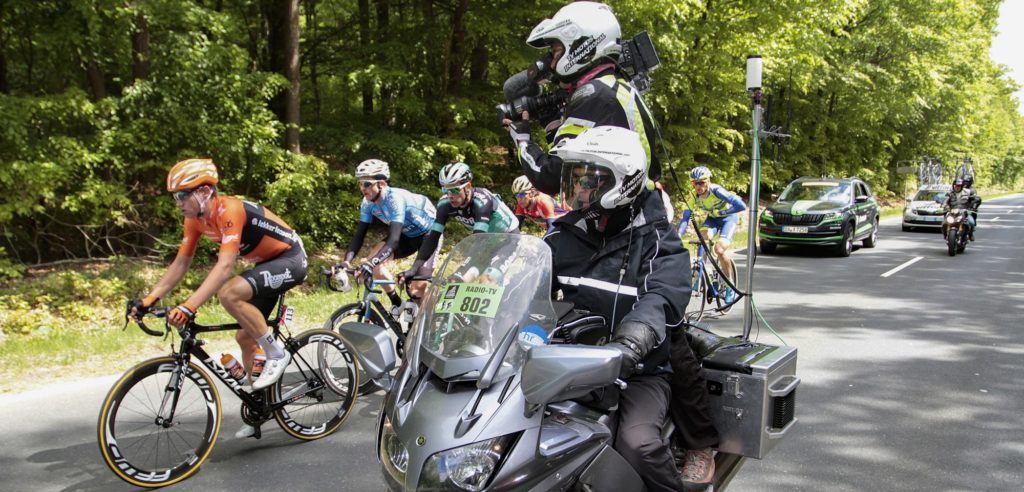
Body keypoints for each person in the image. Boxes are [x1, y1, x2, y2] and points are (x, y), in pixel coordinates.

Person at [545, 126, 718, 491]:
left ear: (622, 182)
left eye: (590, 180)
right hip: (564, 365)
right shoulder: (562, 236)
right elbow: (527, 277)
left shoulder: (658, 242)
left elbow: (663, 296)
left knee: (637, 445)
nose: (579, 189)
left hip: (638, 369)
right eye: (576, 179)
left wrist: (631, 342)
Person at [128, 158, 307, 439]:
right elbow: (180, 265)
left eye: (182, 195)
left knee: (229, 293)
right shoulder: (194, 221)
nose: (178, 202)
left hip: (290, 258)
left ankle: (276, 352)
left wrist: (189, 306)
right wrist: (149, 299)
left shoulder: (230, 209)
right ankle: (261, 406)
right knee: (245, 339)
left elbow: (225, 267)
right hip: (266, 265)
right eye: (175, 196)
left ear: (204, 192)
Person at [505, 1, 663, 199]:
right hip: (635, 209)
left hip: (627, 220)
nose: (552, 64)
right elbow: (578, 156)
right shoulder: (614, 86)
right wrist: (551, 122)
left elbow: (551, 176)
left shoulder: (593, 94)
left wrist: (522, 140)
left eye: (555, 53)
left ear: (581, 45)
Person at [344, 159, 440, 315]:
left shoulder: (394, 199)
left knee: (417, 289)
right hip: (407, 235)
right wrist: (346, 261)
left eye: (367, 184)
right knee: (373, 262)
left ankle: (428, 326)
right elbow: (359, 235)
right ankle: (398, 303)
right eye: (360, 184)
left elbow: (393, 240)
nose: (362, 188)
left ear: (381, 183)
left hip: (428, 235)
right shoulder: (368, 203)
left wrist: (371, 263)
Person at [402, 162, 519, 280]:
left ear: (468, 187)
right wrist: (414, 268)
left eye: (454, 190)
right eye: (445, 190)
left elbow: (479, 239)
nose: (450, 196)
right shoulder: (444, 204)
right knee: (456, 283)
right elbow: (433, 238)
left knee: (489, 279)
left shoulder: (482, 201)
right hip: (488, 242)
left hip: (508, 240)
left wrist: (461, 269)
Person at [685, 166, 746, 304]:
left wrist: (722, 213)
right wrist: (678, 234)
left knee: (719, 249)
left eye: (702, 182)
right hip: (712, 219)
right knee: (702, 237)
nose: (698, 186)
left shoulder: (717, 191)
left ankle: (729, 284)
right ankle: (703, 271)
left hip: (728, 219)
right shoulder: (694, 195)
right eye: (695, 183)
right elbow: (685, 217)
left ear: (708, 181)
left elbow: (741, 205)